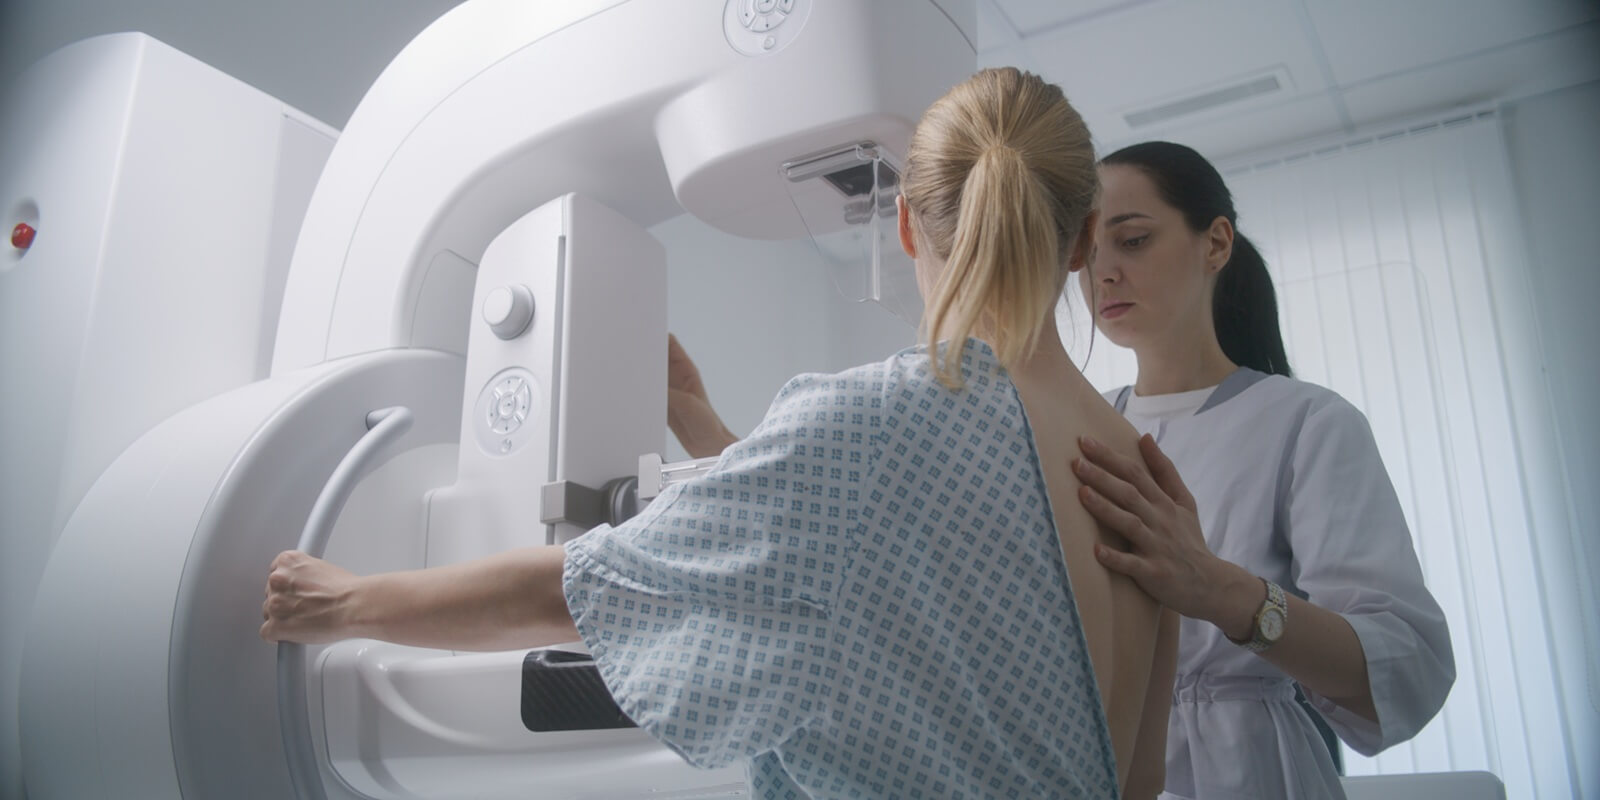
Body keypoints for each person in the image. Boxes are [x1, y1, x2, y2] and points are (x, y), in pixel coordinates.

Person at [263, 67, 1178, 799]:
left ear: (904, 222)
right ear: (1085, 236)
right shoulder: (1147, 478)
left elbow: (576, 591)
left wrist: (345, 600)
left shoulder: (867, 428)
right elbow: (1133, 774)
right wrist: (701, 424)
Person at [1068, 141, 1455, 799]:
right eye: (1086, 251)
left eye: (1131, 241)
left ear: (1215, 243)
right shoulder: (1076, 429)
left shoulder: (1307, 423)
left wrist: (1223, 592)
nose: (1102, 273)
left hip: (1253, 773)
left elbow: (1408, 671)